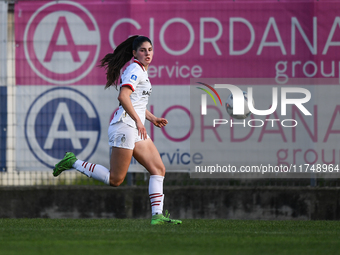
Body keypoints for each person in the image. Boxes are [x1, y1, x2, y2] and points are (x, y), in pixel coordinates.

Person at [52, 35, 181, 225]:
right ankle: (73, 162)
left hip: (133, 126)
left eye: (150, 50)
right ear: (134, 53)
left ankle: (157, 216)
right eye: (143, 50)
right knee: (115, 180)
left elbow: (135, 102)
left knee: (158, 169)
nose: (147, 53)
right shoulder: (135, 69)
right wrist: (138, 121)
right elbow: (123, 96)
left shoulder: (141, 70)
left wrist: (151, 118)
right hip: (125, 127)